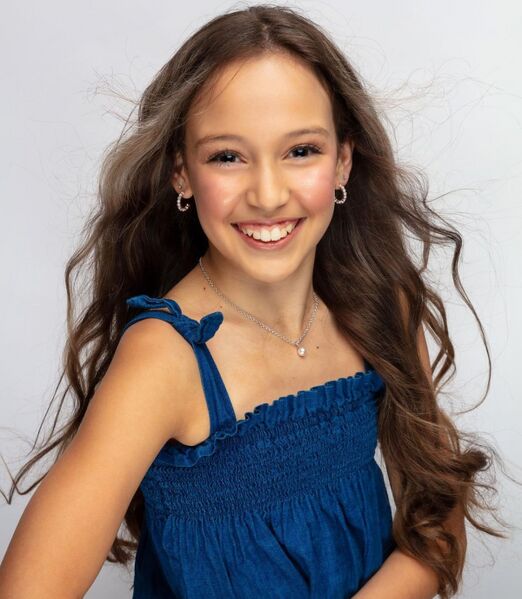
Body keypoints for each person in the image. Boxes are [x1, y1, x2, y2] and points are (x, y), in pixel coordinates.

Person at [0, 4, 511, 599]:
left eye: (301, 151)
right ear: (181, 172)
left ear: (343, 160)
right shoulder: (165, 359)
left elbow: (437, 524)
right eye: (227, 156)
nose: (268, 195)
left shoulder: (381, 305)